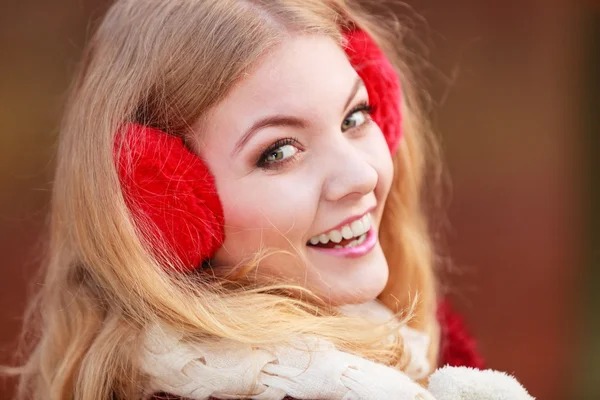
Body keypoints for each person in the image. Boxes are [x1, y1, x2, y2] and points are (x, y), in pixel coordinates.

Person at [7, 0, 484, 398]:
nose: (359, 176)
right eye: (279, 151)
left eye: (355, 117)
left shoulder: (423, 340)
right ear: (164, 205)